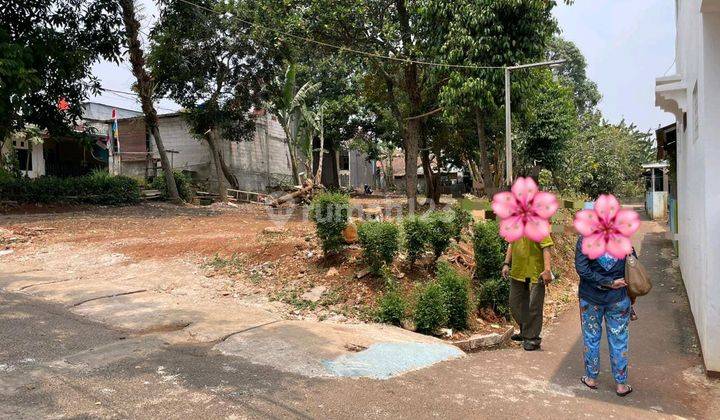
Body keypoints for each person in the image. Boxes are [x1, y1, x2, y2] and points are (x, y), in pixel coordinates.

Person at [575, 238, 635, 397]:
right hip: (618, 299)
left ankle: (591, 378)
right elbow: (633, 263)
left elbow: (582, 269)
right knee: (619, 339)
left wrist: (606, 282)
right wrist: (613, 281)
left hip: (590, 298)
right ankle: (621, 384)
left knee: (591, 337)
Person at [501, 235, 554, 351]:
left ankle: (532, 338)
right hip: (518, 273)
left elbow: (546, 246)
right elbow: (511, 243)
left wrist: (547, 270)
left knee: (533, 306)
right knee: (515, 304)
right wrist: (506, 263)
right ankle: (525, 330)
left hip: (535, 274)